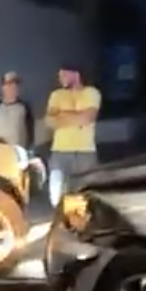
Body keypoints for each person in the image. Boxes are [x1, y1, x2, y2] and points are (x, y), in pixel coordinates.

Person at [45, 63, 101, 207]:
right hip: (59, 150)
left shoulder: (91, 92)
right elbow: (50, 121)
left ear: (75, 74)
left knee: (86, 193)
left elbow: (88, 118)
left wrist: (63, 115)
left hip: (85, 151)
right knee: (56, 193)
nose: (60, 78)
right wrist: (77, 117)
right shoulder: (56, 95)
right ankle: (61, 221)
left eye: (63, 75)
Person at [0, 71, 35, 150]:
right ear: (3, 87)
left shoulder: (24, 107)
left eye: (16, 84)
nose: (13, 87)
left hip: (18, 153)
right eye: (10, 84)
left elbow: (30, 133)